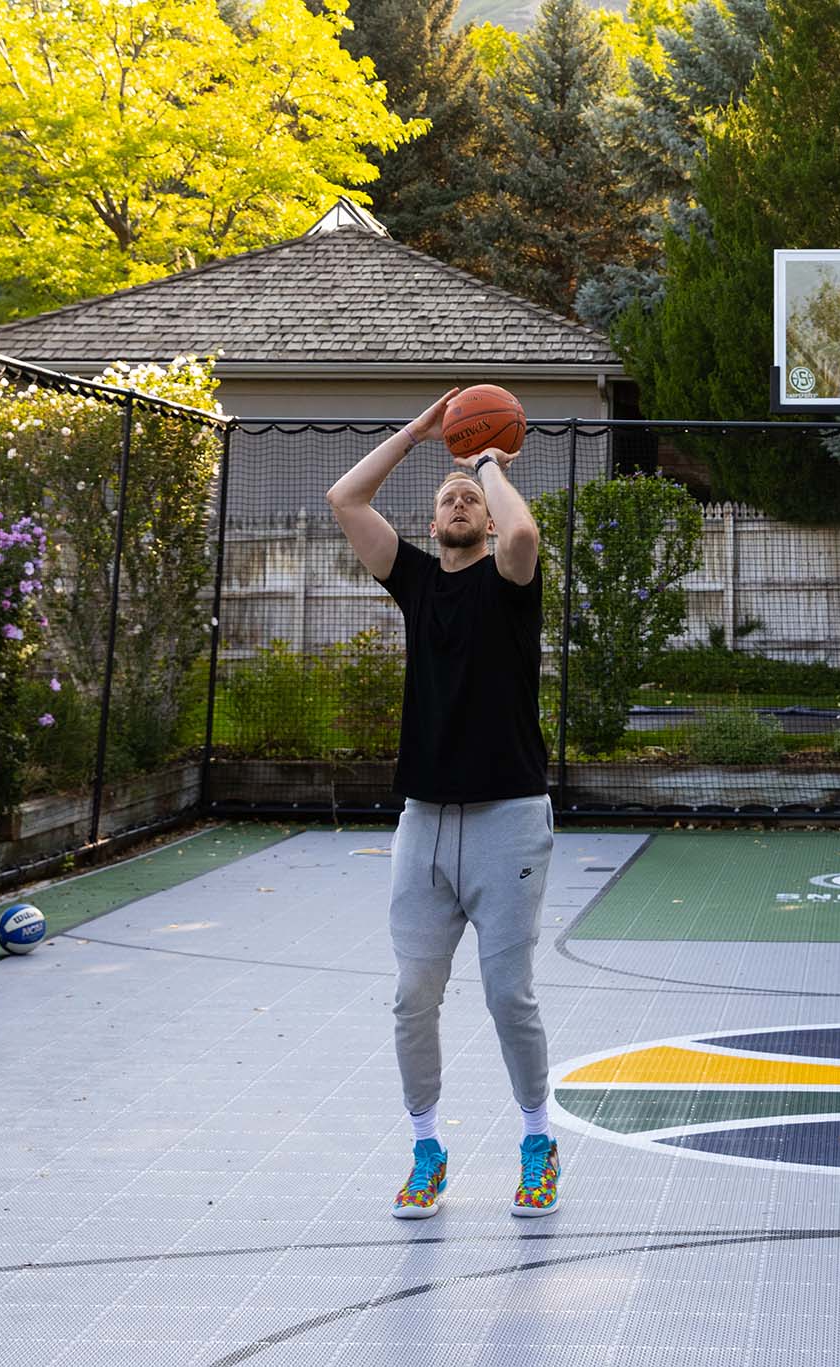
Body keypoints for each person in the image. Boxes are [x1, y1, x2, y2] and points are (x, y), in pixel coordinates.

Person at [325, 388, 560, 1219]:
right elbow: (344, 498)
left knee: (508, 996)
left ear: (486, 519)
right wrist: (422, 433)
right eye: (446, 498)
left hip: (509, 820)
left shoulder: (511, 579)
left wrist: (487, 458)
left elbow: (525, 533)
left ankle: (538, 1138)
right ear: (431, 524)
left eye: (471, 499)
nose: (459, 502)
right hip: (423, 823)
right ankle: (427, 1147)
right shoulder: (416, 581)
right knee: (411, 995)